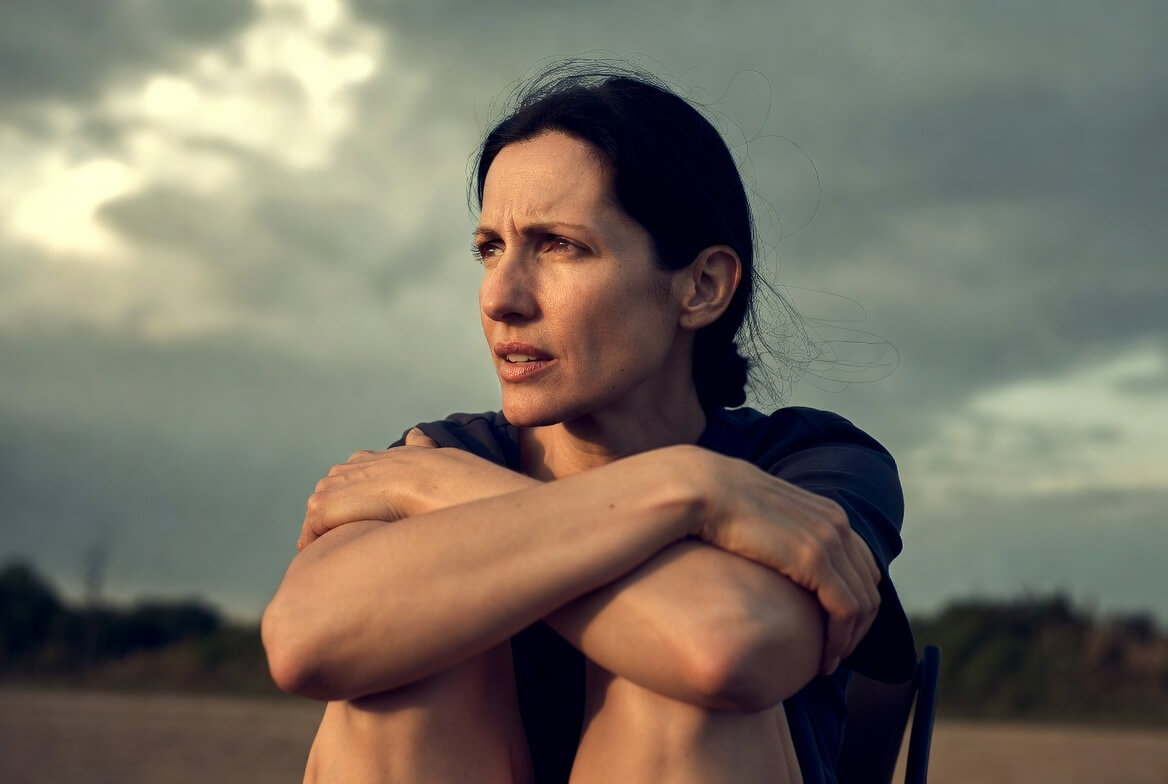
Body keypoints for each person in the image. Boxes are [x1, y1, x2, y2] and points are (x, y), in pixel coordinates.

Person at [262, 62, 915, 784]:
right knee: (401, 672)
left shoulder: (805, 463)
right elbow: (303, 641)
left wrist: (456, 497)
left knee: (678, 689)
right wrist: (690, 492)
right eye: (490, 249)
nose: (501, 298)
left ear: (701, 287)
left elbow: (722, 648)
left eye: (559, 246)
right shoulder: (441, 453)